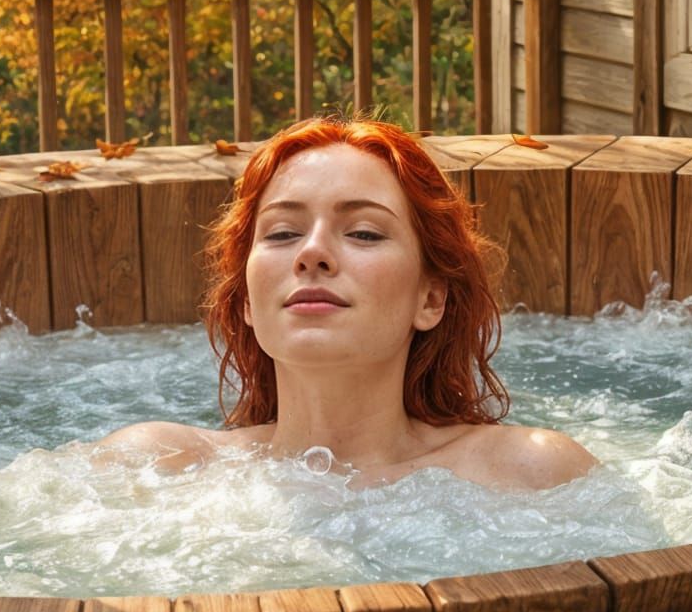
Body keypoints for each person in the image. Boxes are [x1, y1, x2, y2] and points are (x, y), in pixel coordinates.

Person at [94, 114, 598, 491]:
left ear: (431, 298)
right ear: (247, 300)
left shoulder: (532, 473)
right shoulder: (152, 466)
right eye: (283, 232)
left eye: (363, 232)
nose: (312, 253)